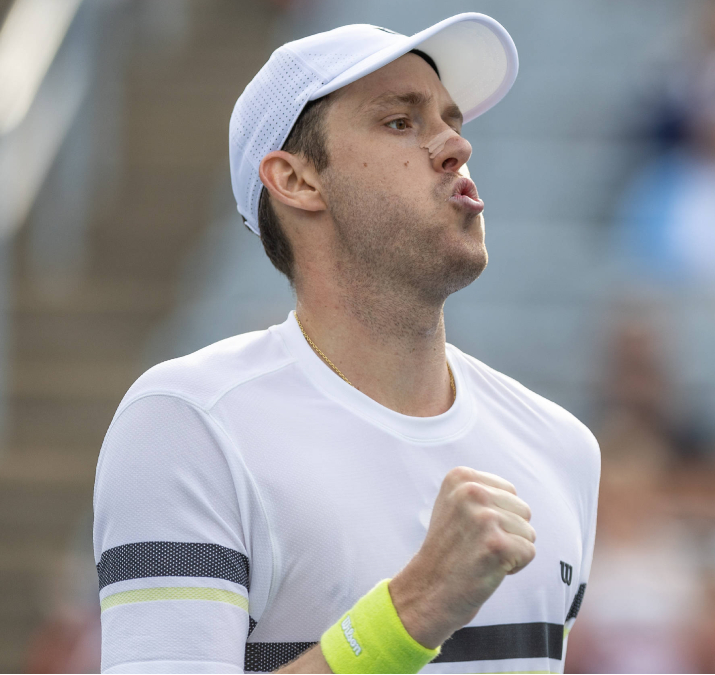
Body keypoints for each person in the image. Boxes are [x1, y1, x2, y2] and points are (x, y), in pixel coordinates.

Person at [91, 14, 600, 674]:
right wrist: (410, 611)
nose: (455, 147)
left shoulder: (564, 448)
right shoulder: (187, 423)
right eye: (400, 121)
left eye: (453, 121)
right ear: (297, 180)